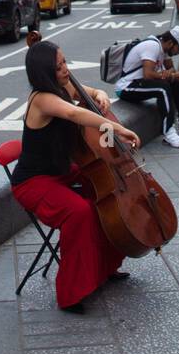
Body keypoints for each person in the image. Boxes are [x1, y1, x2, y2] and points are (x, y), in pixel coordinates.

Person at [9, 41, 140, 312]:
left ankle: (105, 268)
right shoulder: (42, 99)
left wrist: (100, 94)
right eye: (58, 67)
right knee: (80, 213)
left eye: (65, 62)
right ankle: (71, 293)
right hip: (34, 182)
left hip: (60, 171)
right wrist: (116, 127)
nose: (66, 69)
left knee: (105, 202)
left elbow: (87, 93)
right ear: (45, 72)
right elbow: (72, 112)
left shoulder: (61, 86)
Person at [116, 27, 179, 148]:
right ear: (170, 43)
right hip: (127, 87)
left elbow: (171, 70)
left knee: (178, 81)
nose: (178, 52)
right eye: (178, 48)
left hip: (141, 83)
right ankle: (169, 133)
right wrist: (169, 75)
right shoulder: (152, 46)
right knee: (162, 88)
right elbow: (148, 74)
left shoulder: (164, 50)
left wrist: (171, 75)